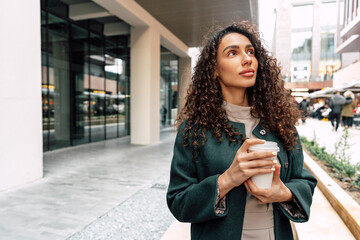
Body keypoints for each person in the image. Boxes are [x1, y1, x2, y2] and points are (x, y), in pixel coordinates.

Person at [166, 22, 317, 240]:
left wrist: (283, 193)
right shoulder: (193, 130)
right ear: (214, 69)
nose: (247, 59)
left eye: (250, 51)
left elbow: (305, 181)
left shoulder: (280, 124)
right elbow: (179, 201)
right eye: (232, 53)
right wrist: (228, 179)